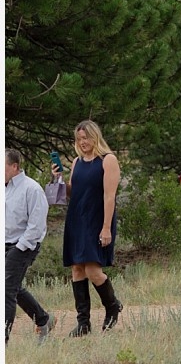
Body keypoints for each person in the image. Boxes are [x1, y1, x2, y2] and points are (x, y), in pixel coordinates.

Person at [57, 121, 123, 335]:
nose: (83, 142)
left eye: (86, 137)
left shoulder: (108, 160)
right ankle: (83, 323)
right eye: (79, 139)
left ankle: (112, 306)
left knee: (93, 270)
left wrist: (106, 228)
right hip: (77, 218)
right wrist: (58, 179)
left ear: (96, 137)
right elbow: (72, 192)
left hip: (96, 220)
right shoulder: (77, 162)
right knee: (77, 269)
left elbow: (109, 196)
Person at [5, 150, 55, 344]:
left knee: (6, 289)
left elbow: (37, 225)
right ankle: (44, 319)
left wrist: (20, 247)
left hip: (23, 245)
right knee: (13, 288)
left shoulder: (32, 189)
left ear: (14, 167)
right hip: (5, 242)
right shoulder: (5, 188)